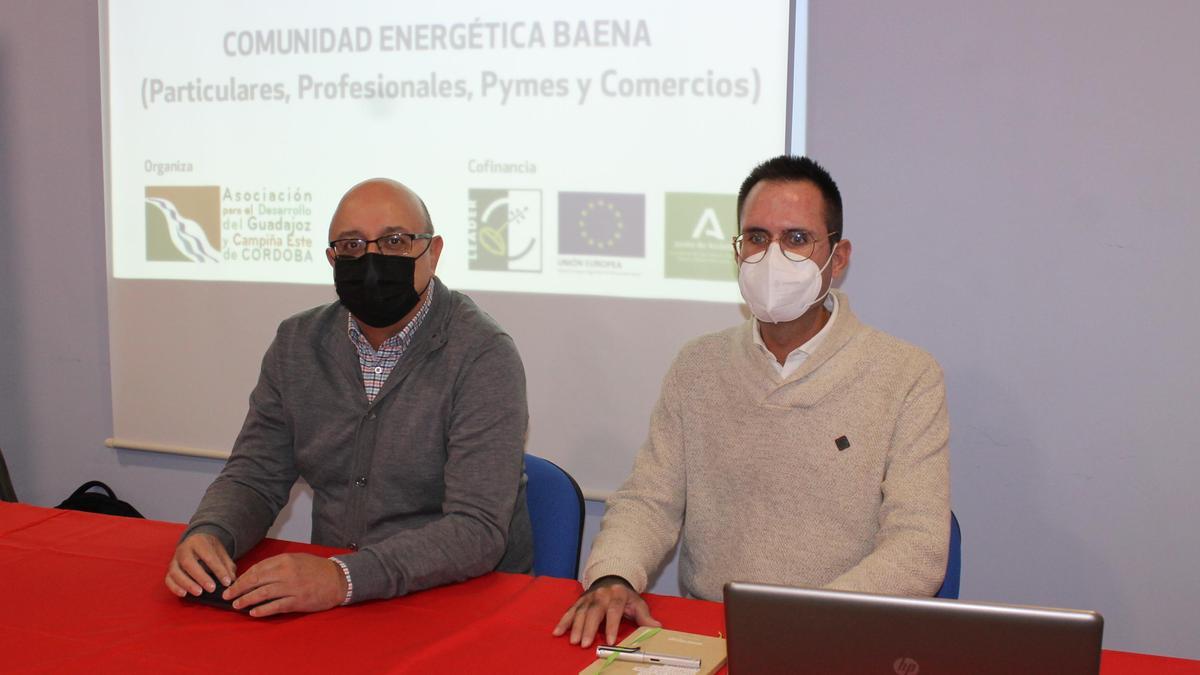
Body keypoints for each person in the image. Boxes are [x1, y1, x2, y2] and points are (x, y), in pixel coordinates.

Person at [554, 155, 950, 647]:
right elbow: (648, 500)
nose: (772, 256)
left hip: (841, 636)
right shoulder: (697, 365)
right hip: (710, 633)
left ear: (838, 257)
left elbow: (919, 547)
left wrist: (802, 621)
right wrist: (613, 576)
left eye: (797, 239)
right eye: (757, 238)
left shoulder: (906, 375)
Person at [165, 178, 533, 617]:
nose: (372, 258)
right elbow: (255, 474)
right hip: (338, 603)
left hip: (460, 601)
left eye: (395, 241)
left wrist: (345, 577)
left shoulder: (482, 353)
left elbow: (476, 531)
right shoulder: (297, 343)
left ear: (432, 253)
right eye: (352, 245)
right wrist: (211, 532)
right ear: (331, 259)